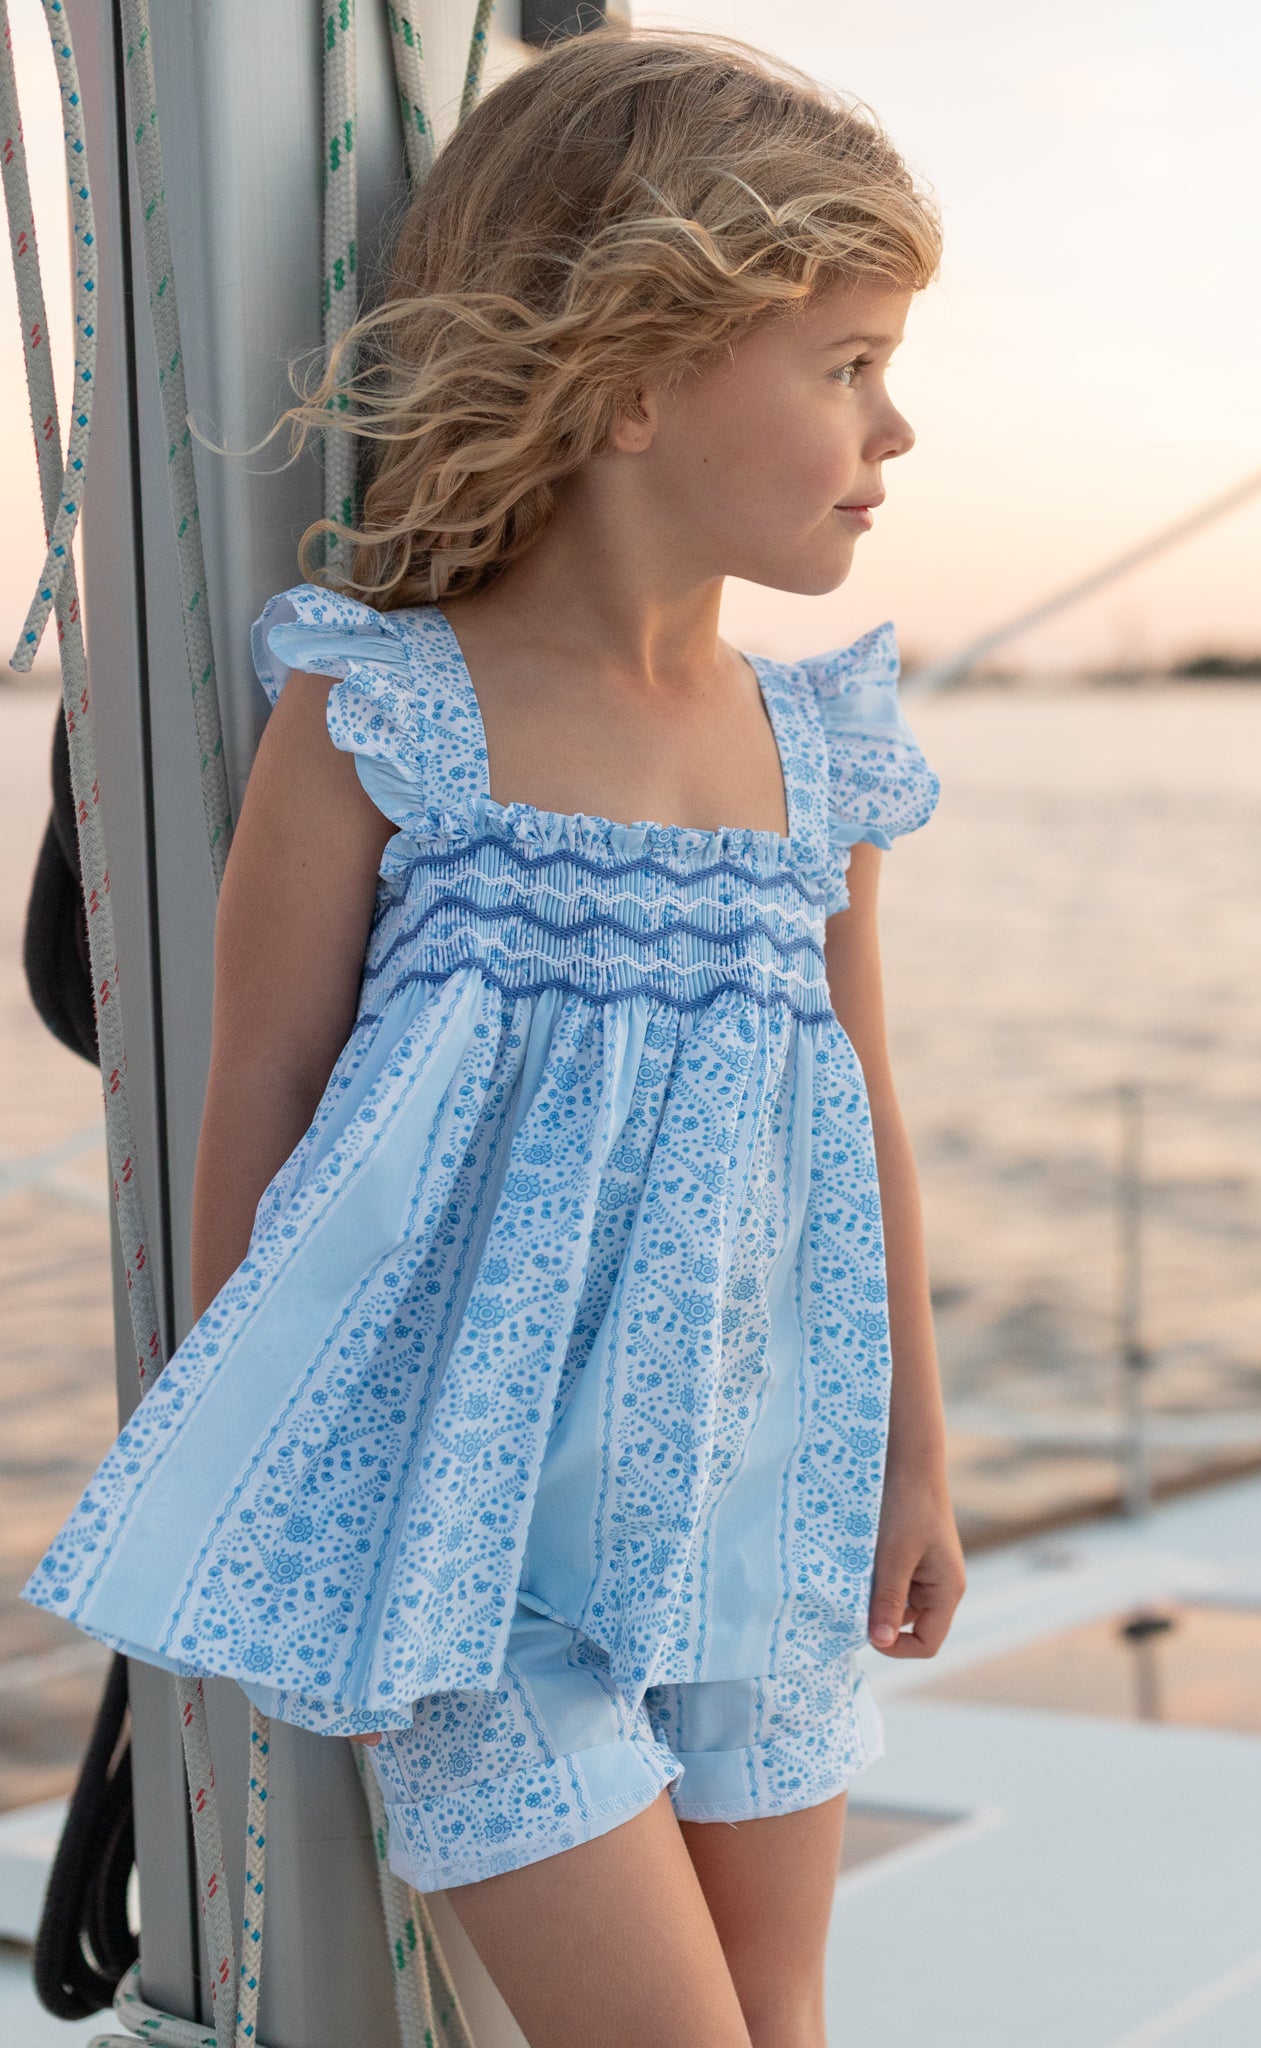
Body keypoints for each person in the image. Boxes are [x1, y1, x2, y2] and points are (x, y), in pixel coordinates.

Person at [25, 28, 963, 2045]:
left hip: (761, 1524)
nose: (895, 431)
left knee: (783, 2016)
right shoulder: (382, 717)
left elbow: (860, 1112)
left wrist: (913, 1465)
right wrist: (259, 1523)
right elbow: (255, 1123)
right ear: (631, 368)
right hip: (463, 1576)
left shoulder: (822, 751)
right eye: (847, 364)